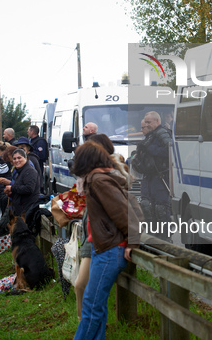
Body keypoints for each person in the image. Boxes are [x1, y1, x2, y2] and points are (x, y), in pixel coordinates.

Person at [70, 141, 140, 339]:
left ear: (86, 160)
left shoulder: (98, 180)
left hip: (110, 250)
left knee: (91, 306)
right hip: (103, 248)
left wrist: (132, 241)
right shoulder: (98, 178)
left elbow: (123, 212)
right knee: (95, 305)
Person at [138, 111, 172, 240]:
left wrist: (150, 149)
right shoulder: (150, 136)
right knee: (147, 207)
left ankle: (165, 239)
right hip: (149, 177)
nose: (146, 125)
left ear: (157, 121)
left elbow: (170, 150)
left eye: (148, 122)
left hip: (161, 177)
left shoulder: (162, 133)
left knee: (161, 209)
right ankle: (153, 237)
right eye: (145, 123)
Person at [2, 148, 39, 217]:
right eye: (14, 159)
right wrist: (11, 193)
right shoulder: (19, 171)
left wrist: (12, 188)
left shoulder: (30, 171)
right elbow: (19, 189)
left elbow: (29, 189)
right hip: (19, 208)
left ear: (25, 158)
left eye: (19, 158)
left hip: (27, 209)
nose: (17, 160)